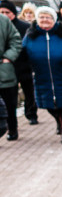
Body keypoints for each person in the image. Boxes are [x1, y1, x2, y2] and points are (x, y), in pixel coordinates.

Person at [22, 6, 62, 142]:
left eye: (48, 17)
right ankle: (58, 121)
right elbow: (23, 52)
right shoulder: (31, 35)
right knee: (47, 105)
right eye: (42, 17)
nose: (45, 20)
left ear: (54, 20)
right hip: (42, 76)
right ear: (37, 19)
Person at [2, 1, 37, 128]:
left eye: (7, 12)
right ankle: (12, 123)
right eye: (2, 12)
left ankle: (31, 114)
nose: (5, 15)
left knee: (29, 92)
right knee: (11, 95)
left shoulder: (24, 26)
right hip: (8, 67)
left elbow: (26, 45)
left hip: (23, 64)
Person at [0, 10, 22, 140]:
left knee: (9, 104)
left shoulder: (3, 20)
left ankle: (12, 129)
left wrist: (8, 57)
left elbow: (16, 40)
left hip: (4, 70)